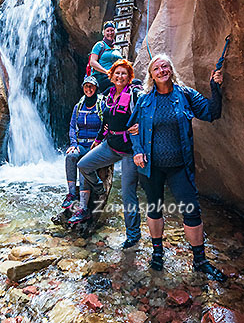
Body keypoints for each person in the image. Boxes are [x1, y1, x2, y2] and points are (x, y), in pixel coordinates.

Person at [128, 53, 227, 282]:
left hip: (179, 166)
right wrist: (138, 150)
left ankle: (200, 261)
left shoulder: (185, 95)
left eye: (165, 66)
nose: (162, 70)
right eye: (157, 68)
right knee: (154, 209)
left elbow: (211, 112)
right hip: (151, 167)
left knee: (191, 210)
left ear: (171, 70)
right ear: (151, 75)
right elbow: (132, 127)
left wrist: (215, 86)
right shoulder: (144, 100)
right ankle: (157, 253)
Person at [73, 59, 142, 248]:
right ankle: (99, 189)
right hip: (110, 144)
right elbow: (105, 123)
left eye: (124, 74)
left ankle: (133, 235)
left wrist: (140, 129)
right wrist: (96, 142)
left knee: (128, 194)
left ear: (129, 77)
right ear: (111, 76)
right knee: (83, 164)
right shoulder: (108, 95)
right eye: (117, 73)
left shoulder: (134, 94)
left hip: (129, 150)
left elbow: (146, 114)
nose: (120, 76)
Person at [60, 76, 105, 224]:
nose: (89, 89)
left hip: (95, 145)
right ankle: (72, 194)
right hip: (81, 143)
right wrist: (73, 143)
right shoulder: (79, 106)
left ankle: (84, 208)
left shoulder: (101, 104)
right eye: (86, 86)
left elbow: (106, 125)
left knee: (84, 164)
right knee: (71, 156)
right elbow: (72, 127)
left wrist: (100, 142)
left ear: (96, 88)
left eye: (91, 86)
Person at [89, 21, 122, 94]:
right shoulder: (99, 45)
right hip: (101, 77)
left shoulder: (117, 48)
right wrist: (106, 72)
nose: (110, 33)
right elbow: (92, 62)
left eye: (112, 30)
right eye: (108, 31)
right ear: (103, 32)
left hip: (115, 76)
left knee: (135, 82)